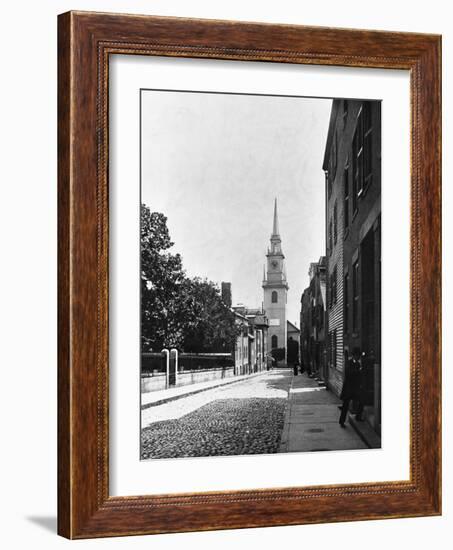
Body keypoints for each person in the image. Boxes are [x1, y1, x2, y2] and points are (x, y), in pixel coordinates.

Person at [339, 347, 364, 427]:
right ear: (354, 355)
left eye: (359, 356)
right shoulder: (349, 363)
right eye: (357, 355)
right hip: (349, 388)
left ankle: (358, 416)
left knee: (362, 400)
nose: (358, 357)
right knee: (345, 406)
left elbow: (359, 376)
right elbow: (349, 374)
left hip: (355, 388)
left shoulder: (357, 363)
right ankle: (341, 421)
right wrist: (359, 371)